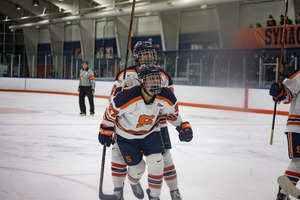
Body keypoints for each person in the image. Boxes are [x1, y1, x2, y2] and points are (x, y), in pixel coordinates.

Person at [98, 64, 193, 200]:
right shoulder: (127, 96)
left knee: (157, 162)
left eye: (157, 78)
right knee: (138, 169)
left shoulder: (166, 95)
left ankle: (154, 197)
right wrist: (105, 129)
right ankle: (133, 181)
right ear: (142, 81)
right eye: (151, 79)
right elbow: (111, 111)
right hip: (126, 135)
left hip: (150, 132)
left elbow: (173, 114)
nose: (155, 81)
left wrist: (182, 126)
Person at [108, 41, 183, 200]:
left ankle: (174, 190)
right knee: (118, 155)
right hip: (126, 125)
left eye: (151, 53)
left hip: (154, 124)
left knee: (164, 159)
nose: (149, 56)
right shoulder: (125, 75)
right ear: (137, 56)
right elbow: (113, 101)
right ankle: (118, 189)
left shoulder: (162, 76)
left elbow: (167, 102)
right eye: (145, 53)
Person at [269, 71, 300, 200]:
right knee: (298, 161)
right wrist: (280, 93)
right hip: (298, 126)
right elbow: (288, 94)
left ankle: (283, 194)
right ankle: (283, 193)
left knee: (298, 162)